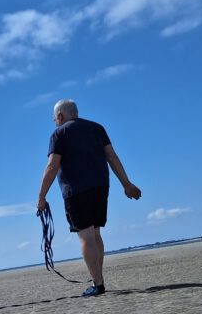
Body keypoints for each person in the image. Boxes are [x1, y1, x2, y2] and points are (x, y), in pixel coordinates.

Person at [37, 99, 142, 297]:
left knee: (85, 236)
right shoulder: (97, 128)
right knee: (95, 234)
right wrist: (126, 184)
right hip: (101, 187)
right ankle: (98, 278)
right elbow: (112, 157)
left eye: (54, 119)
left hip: (76, 190)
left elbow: (52, 166)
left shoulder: (59, 133)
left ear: (60, 116)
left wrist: (41, 197)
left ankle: (98, 283)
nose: (55, 122)